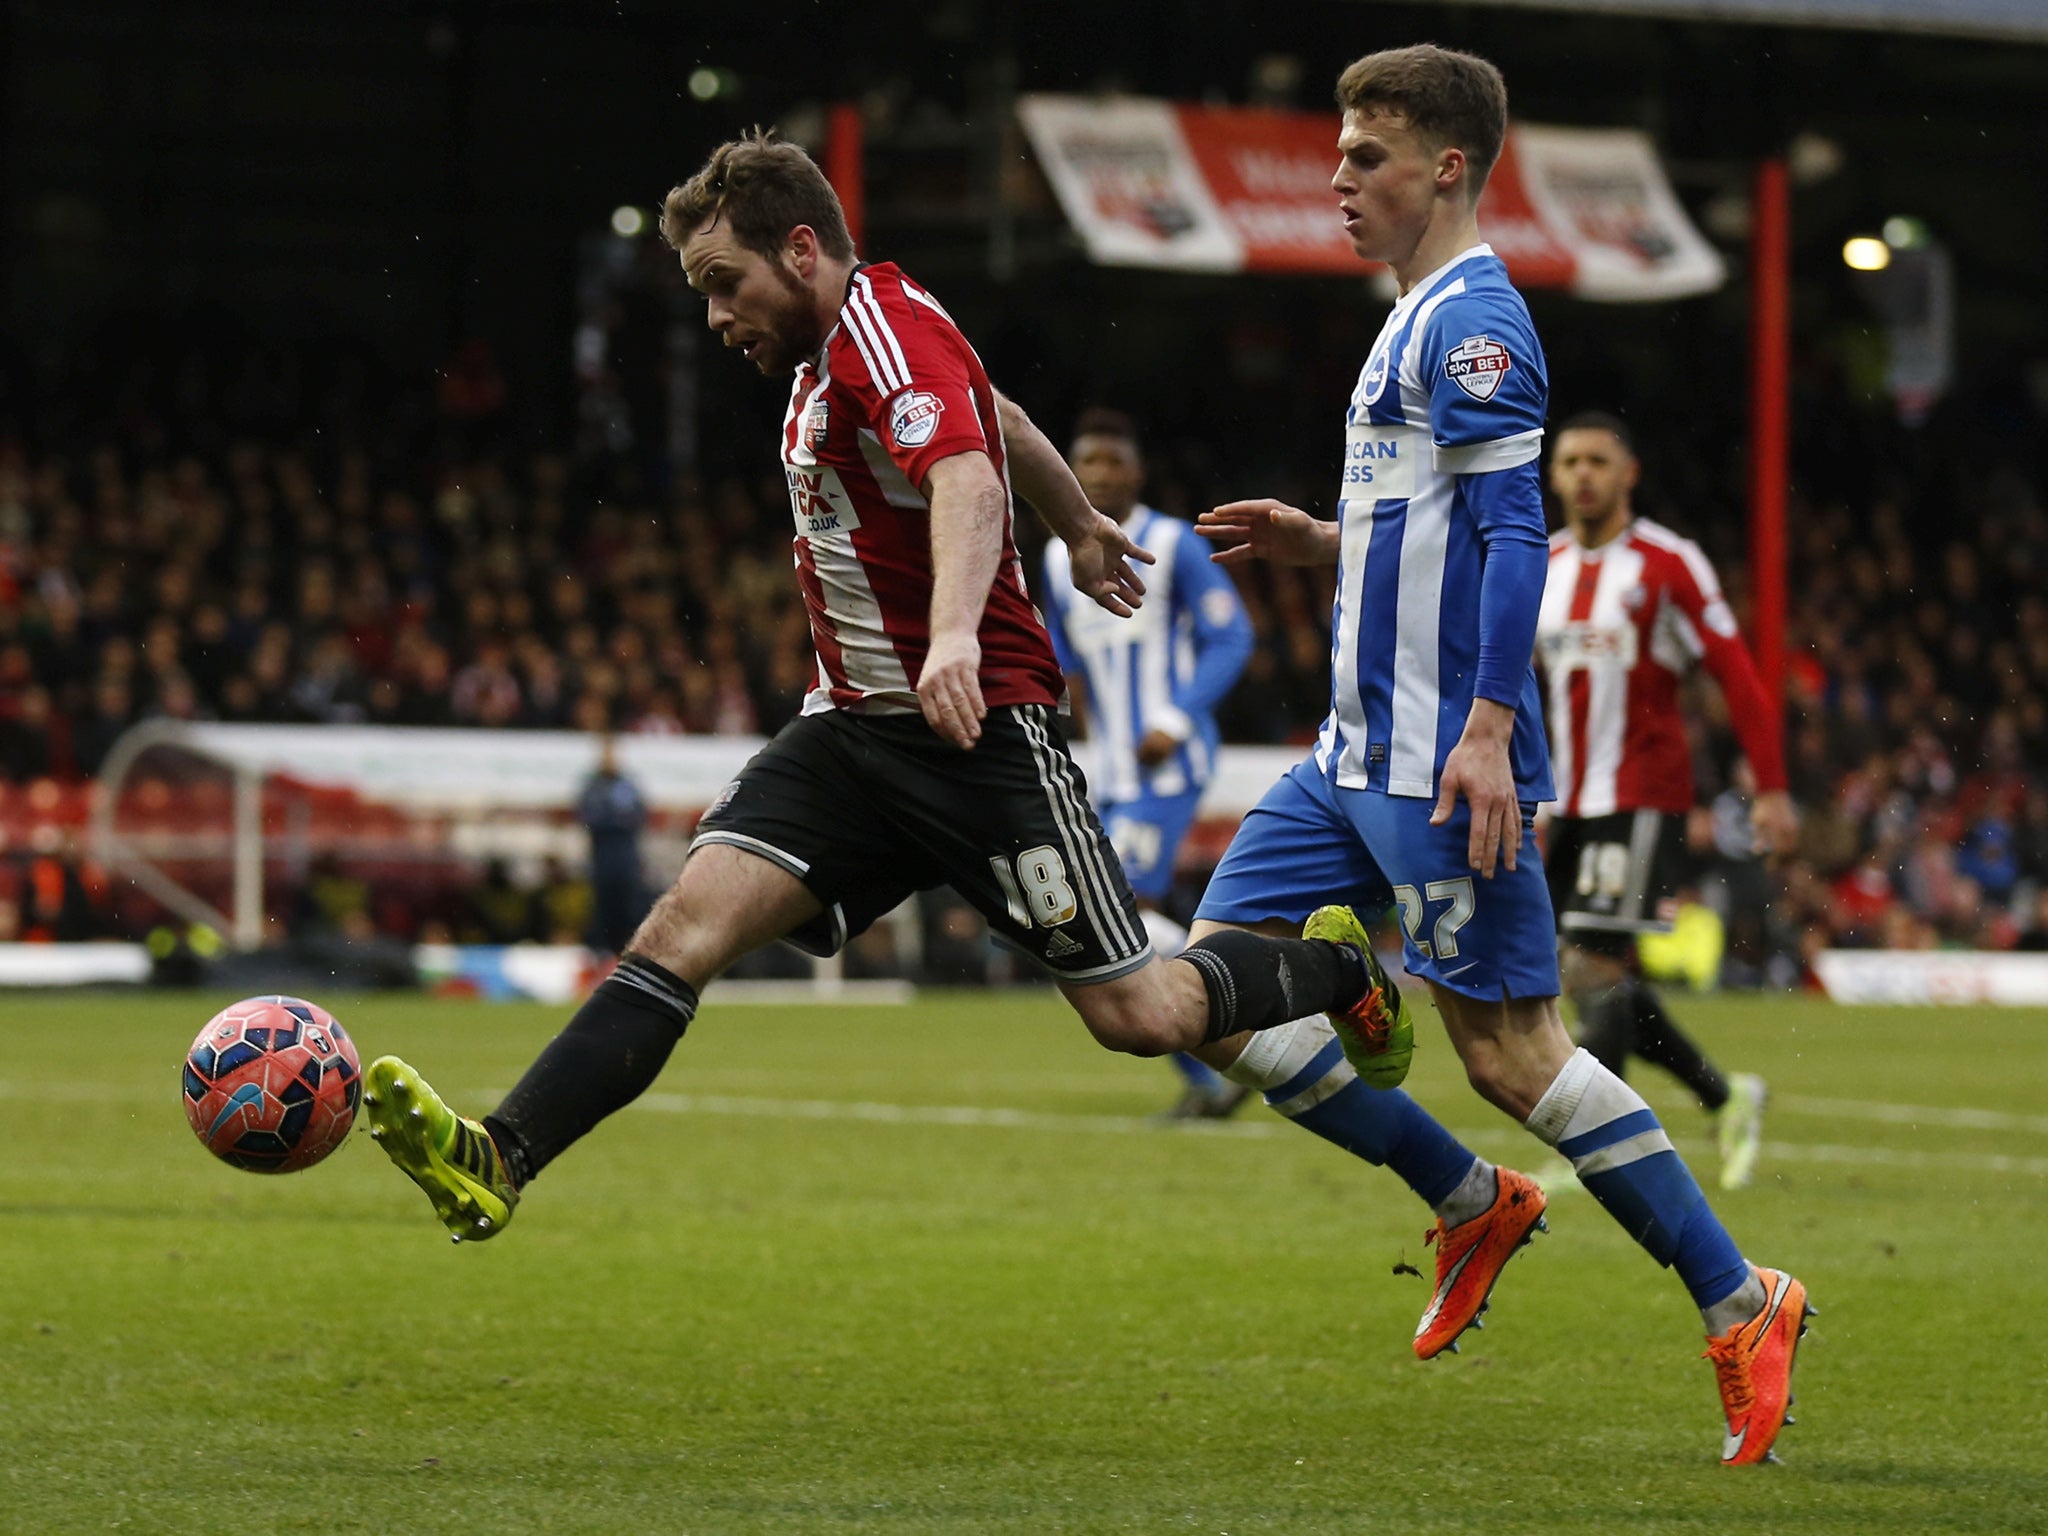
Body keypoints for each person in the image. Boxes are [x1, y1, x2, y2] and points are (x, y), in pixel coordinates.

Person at [359, 132, 1401, 1267]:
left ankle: (1344, 968)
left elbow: (957, 471)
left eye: (724, 284)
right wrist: (1074, 519)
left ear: (800, 249)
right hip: (851, 738)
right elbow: (987, 416)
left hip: (979, 734)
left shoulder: (878, 332)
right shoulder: (850, 347)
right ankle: (499, 1157)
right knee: (679, 928)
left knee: (1140, 1017)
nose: (714, 318)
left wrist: (954, 631)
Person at [1193, 45, 1809, 1465]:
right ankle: (1474, 1199)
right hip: (1351, 755)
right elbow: (1429, 530)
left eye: (1366, 156)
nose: (1339, 177)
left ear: (1448, 168)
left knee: (1518, 1055)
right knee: (1212, 999)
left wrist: (1485, 731)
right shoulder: (1404, 315)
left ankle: (1744, 1298)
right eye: (1340, 154)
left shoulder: (1478, 324)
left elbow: (1511, 531)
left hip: (1434, 760)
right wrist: (1325, 543)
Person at [1536, 412, 1798, 1190]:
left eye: (1598, 461)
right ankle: (1726, 1094)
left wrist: (1773, 785)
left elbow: (1735, 670)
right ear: (1553, 476)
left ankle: (1598, 1150)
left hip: (1643, 793)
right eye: (1571, 461)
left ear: (1629, 474)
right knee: (1576, 973)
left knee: (1589, 963)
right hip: (1566, 802)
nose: (1583, 474)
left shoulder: (1668, 564)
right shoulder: (1541, 564)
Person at [1041, 409, 1256, 1118]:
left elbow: (1232, 638)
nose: (1097, 473)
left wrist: (1172, 718)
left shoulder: (1171, 544)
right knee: (1120, 923)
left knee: (1116, 911)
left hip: (1169, 764)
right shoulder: (1056, 556)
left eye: (1110, 460)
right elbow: (1063, 667)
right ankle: (1237, 1006)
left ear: (1135, 472)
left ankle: (1251, 1033)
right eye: (1085, 461)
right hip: (1113, 776)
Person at [575, 732, 650, 954]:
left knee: (629, 913)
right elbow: (587, 817)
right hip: (602, 863)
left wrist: (613, 819)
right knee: (602, 914)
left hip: (626, 864)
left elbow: (639, 815)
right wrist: (616, 819)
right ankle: (601, 957)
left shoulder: (628, 784)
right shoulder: (592, 785)